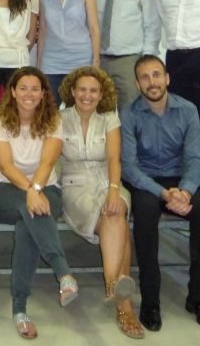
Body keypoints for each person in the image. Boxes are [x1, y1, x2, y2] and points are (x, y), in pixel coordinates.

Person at [120, 55, 200, 332]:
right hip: (145, 180)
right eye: (144, 77)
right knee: (145, 213)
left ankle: (198, 299)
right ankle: (150, 301)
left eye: (156, 75)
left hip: (180, 178)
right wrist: (164, 194)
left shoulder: (188, 110)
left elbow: (195, 159)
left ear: (167, 78)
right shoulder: (128, 113)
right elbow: (129, 168)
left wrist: (185, 191)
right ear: (137, 85)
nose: (151, 82)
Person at [0, 66, 76, 340]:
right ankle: (63, 273)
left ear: (43, 93)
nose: (29, 94)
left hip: (45, 187)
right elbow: (5, 165)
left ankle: (20, 309)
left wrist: (36, 189)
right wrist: (30, 191)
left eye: (35, 89)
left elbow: (47, 162)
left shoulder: (53, 118)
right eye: (23, 88)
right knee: (31, 210)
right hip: (4, 189)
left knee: (29, 221)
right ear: (12, 92)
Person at [56, 67, 144, 339]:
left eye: (93, 90)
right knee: (118, 225)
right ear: (72, 91)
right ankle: (122, 299)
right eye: (82, 89)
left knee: (115, 212)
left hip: (108, 181)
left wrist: (114, 191)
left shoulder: (109, 118)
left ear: (101, 93)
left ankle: (114, 288)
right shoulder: (58, 118)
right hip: (75, 187)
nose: (87, 95)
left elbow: (115, 159)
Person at [94, 0, 161, 110]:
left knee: (130, 111)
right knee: (100, 113)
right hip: (97, 61)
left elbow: (152, 27)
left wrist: (146, 62)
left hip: (129, 62)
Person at [37, 0, 100, 102]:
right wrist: (38, 64)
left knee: (80, 107)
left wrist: (96, 61)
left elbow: (94, 28)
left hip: (81, 59)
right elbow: (43, 31)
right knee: (50, 108)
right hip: (51, 61)